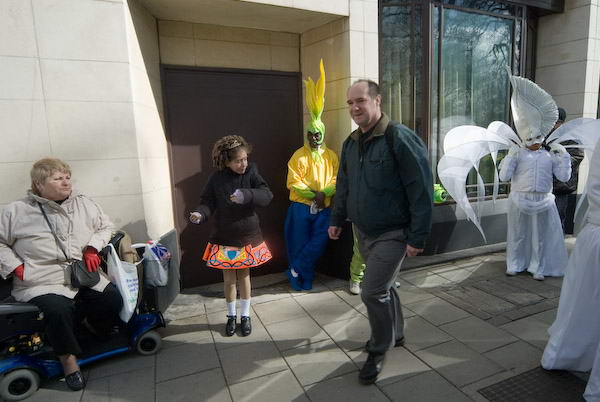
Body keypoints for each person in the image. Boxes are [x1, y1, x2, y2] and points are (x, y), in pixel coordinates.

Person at [329, 79, 433, 384]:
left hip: (394, 231)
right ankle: (397, 334)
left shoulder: (398, 138)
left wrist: (418, 236)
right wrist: (336, 219)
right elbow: (344, 185)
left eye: (360, 100)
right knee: (385, 287)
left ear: (377, 101)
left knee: (372, 290)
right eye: (349, 103)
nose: (354, 108)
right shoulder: (351, 142)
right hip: (363, 230)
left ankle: (378, 348)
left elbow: (421, 189)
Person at [0, 158, 123, 391]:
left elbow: (105, 227)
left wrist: (92, 247)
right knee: (58, 310)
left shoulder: (84, 203)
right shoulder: (17, 211)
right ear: (39, 184)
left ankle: (92, 330)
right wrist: (15, 266)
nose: (66, 182)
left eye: (67, 177)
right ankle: (69, 363)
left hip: (81, 273)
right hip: (41, 278)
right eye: (58, 178)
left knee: (111, 299)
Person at [190, 135, 273, 337]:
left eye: (245, 159)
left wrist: (246, 194)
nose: (243, 164)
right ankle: (230, 316)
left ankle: (245, 315)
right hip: (225, 238)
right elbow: (207, 202)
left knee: (244, 276)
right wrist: (200, 213)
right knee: (229, 281)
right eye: (238, 161)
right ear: (225, 161)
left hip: (247, 236)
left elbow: (266, 195)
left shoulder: (252, 171)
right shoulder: (216, 179)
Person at [541, 140, 600, 401]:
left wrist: (562, 157)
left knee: (581, 301)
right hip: (593, 230)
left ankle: (564, 353)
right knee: (582, 301)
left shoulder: (565, 150)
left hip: (553, 204)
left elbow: (566, 176)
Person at [285, 60, 338, 291]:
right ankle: (301, 279)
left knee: (320, 241)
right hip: (300, 207)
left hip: (324, 208)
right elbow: (293, 181)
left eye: (317, 134)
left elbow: (337, 178)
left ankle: (297, 267)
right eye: (310, 134)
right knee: (298, 242)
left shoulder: (332, 156)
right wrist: (312, 194)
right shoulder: (298, 155)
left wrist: (324, 193)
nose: (313, 138)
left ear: (323, 134)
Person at [499, 125, 571, 281]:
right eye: (530, 138)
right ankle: (515, 264)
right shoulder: (518, 155)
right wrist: (510, 157)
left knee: (540, 236)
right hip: (520, 199)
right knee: (518, 233)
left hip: (543, 199)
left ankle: (537, 266)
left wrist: (564, 157)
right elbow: (504, 176)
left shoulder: (548, 156)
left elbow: (564, 177)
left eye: (538, 138)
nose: (535, 142)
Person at [551, 107, 585, 232]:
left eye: (556, 122)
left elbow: (578, 155)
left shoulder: (571, 136)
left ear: (561, 122)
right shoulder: (546, 135)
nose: (554, 125)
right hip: (546, 185)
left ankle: (557, 247)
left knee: (558, 219)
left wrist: (561, 159)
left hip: (561, 186)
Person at [348, 224, 365, 295]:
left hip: (387, 219)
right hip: (361, 218)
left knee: (385, 250)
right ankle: (355, 279)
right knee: (360, 250)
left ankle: (387, 280)